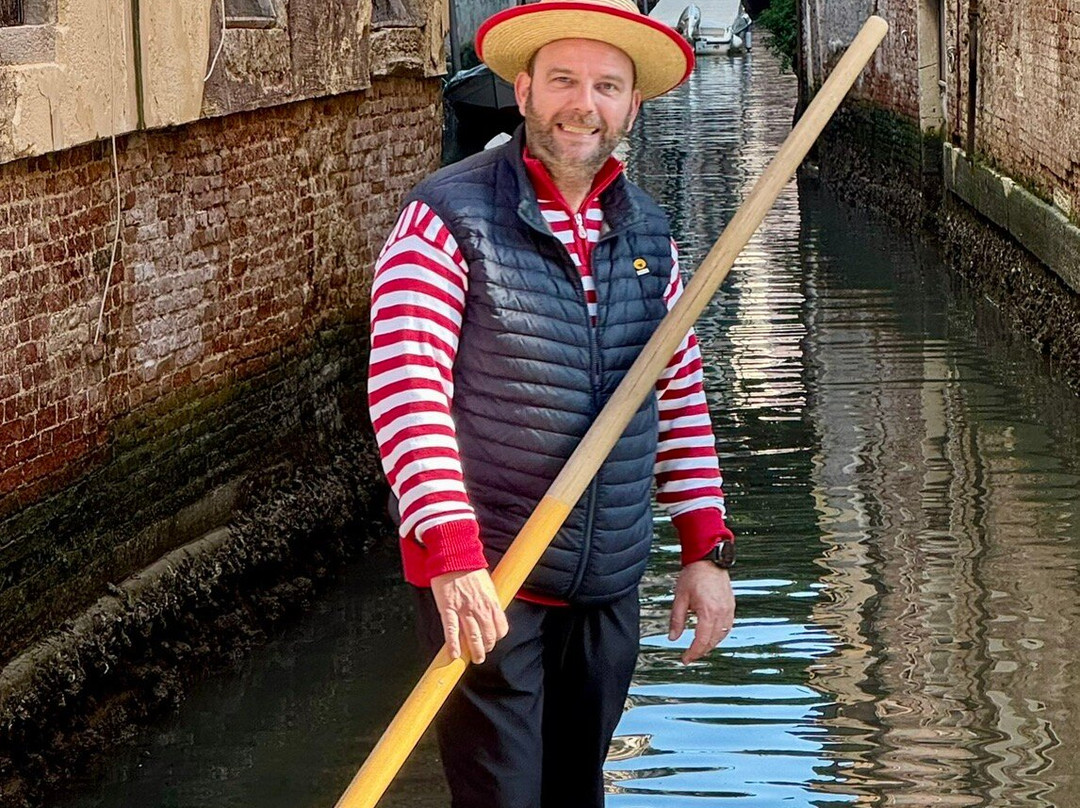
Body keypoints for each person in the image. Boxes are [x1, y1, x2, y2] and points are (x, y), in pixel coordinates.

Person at [367, 0, 736, 804]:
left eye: (607, 86)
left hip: (606, 583)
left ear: (632, 107)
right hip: (491, 578)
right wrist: (452, 554)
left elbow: (677, 393)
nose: (584, 104)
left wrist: (704, 548)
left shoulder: (650, 232)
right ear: (525, 91)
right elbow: (407, 388)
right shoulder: (445, 217)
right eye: (564, 80)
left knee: (578, 791)